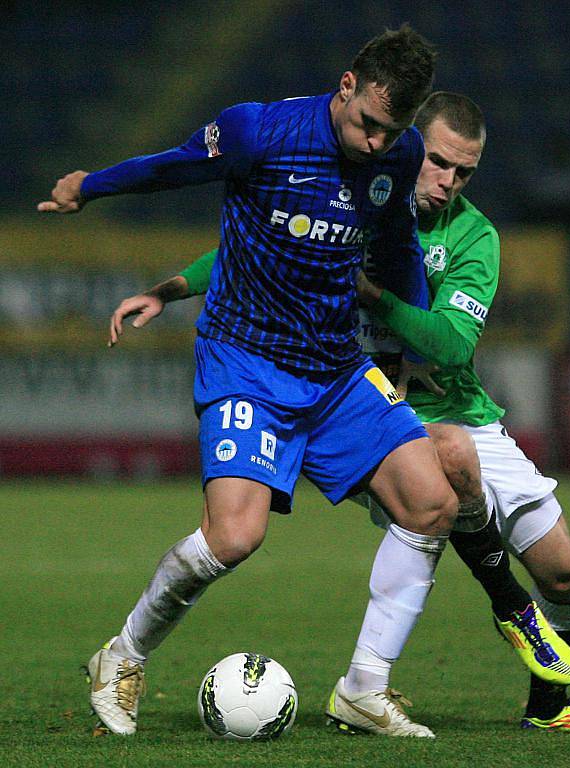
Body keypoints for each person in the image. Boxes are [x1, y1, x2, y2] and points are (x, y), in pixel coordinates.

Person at [125, 91, 570, 733]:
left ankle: (550, 708)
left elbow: (453, 344)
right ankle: (485, 616)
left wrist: (376, 296)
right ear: (409, 147)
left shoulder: (473, 236)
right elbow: (247, 254)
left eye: (465, 173)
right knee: (446, 460)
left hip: (459, 407)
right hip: (375, 411)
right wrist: (169, 289)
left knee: (568, 575)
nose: (448, 183)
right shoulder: (356, 195)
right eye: (439, 163)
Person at [38, 25, 459, 739]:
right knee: (234, 537)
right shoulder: (259, 131)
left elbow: (395, 250)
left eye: (393, 134)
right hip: (246, 359)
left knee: (430, 501)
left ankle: (363, 689)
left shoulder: (400, 154)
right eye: (367, 126)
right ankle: (123, 655)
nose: (376, 145)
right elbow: (171, 166)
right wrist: (91, 186)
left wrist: (405, 337)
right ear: (345, 85)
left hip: (334, 365)